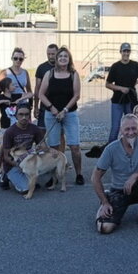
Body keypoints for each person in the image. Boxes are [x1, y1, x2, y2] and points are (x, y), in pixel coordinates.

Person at [93, 113, 138, 232]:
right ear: (121, 130)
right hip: (120, 190)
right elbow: (95, 178)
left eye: (134, 128)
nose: (131, 132)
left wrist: (136, 175)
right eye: (127, 129)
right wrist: (105, 203)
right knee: (105, 228)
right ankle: (106, 199)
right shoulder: (111, 149)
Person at [36, 46, 84, 185]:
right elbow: (41, 94)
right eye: (60, 56)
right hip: (51, 114)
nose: (63, 58)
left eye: (65, 56)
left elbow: (76, 95)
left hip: (70, 114)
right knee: (54, 147)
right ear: (56, 59)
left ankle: (79, 174)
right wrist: (52, 108)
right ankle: (54, 176)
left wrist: (65, 110)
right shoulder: (49, 74)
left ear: (69, 59)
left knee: (74, 146)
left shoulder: (74, 74)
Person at [0, 102, 54, 193]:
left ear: (29, 116)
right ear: (16, 116)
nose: (24, 117)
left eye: (26, 114)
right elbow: (6, 157)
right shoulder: (9, 132)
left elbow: (44, 146)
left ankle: (27, 178)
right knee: (26, 188)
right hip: (14, 164)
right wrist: (20, 165)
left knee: (48, 174)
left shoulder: (35, 129)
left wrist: (46, 149)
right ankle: (6, 176)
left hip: (29, 162)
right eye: (21, 114)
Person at [0, 77, 33, 176]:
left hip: (16, 125)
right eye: (12, 84)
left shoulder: (16, 95)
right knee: (4, 145)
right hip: (6, 125)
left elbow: (30, 94)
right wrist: (2, 101)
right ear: (7, 88)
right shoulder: (1, 97)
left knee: (15, 145)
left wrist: (20, 99)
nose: (15, 86)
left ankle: (15, 165)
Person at [106, 42, 138, 143]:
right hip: (117, 101)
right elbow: (108, 84)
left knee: (132, 126)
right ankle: (110, 148)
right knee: (115, 127)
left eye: (128, 51)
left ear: (130, 52)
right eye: (124, 51)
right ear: (120, 52)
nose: (126, 53)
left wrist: (137, 82)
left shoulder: (135, 65)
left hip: (131, 100)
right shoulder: (115, 66)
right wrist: (120, 88)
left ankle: (131, 145)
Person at [0, 47, 33, 111]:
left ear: (23, 60)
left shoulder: (25, 72)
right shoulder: (4, 73)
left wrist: (31, 104)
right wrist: (3, 104)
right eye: (15, 58)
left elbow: (29, 90)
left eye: (20, 59)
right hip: (10, 103)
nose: (18, 60)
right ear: (12, 58)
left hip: (22, 103)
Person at [33, 43, 58, 128]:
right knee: (42, 130)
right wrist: (36, 107)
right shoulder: (41, 68)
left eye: (53, 54)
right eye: (48, 54)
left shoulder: (63, 67)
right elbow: (37, 88)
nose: (50, 56)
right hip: (44, 105)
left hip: (59, 104)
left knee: (60, 131)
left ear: (57, 53)